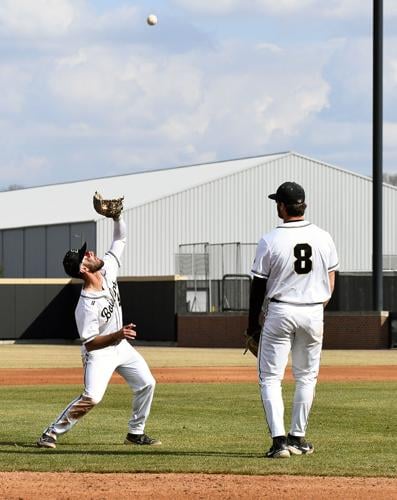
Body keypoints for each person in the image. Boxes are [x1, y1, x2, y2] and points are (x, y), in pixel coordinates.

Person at [37, 207, 160, 449]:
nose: (91, 252)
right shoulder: (85, 305)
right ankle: (50, 433)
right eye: (86, 255)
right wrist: (117, 334)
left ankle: (135, 433)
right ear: (83, 269)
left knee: (147, 383)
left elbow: (120, 238)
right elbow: (90, 342)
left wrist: (117, 217)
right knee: (93, 396)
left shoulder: (108, 270)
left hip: (121, 346)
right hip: (99, 353)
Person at [247, 181, 338, 459]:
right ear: (304, 205)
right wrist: (316, 305)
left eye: (278, 202)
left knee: (271, 379)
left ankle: (279, 443)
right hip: (313, 311)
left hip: (281, 311)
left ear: (282, 207)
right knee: (306, 376)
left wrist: (252, 326)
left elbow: (257, 286)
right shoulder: (324, 237)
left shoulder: (271, 239)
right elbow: (332, 278)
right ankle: (298, 438)